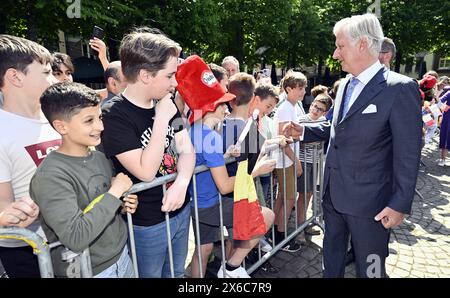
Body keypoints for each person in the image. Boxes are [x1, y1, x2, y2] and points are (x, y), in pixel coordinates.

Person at [287, 14, 422, 278]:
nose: (336, 54)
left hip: (371, 206)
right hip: (333, 196)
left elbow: (408, 153)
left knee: (371, 269)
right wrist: (303, 130)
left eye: (340, 46)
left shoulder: (399, 88)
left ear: (362, 45)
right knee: (331, 261)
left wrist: (399, 204)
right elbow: (338, 128)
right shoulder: (347, 84)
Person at [101, 28, 195, 278]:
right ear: (145, 75)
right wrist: (161, 120)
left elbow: (186, 149)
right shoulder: (114, 115)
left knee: (175, 273)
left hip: (180, 209)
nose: (175, 83)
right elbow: (146, 171)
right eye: (170, 75)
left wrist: (182, 182)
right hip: (147, 222)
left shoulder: (166, 103)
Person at [176, 55, 274, 278]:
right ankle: (230, 269)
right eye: (222, 103)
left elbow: (205, 159)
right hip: (211, 205)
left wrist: (227, 153)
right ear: (211, 106)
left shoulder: (196, 130)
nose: (227, 109)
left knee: (204, 250)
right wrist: (256, 170)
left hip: (197, 202)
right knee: (265, 216)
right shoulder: (209, 136)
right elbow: (224, 186)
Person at [29, 82, 138, 277]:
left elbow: (97, 203)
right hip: (88, 271)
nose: (100, 126)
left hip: (121, 257)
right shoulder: (50, 176)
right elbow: (75, 236)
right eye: (89, 120)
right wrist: (115, 193)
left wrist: (122, 203)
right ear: (61, 126)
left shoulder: (98, 157)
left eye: (99, 117)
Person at [0, 35, 60, 278]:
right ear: (15, 77)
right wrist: (8, 214)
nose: (55, 79)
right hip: (26, 249)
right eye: (46, 72)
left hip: (68, 237)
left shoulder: (56, 117)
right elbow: (3, 201)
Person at [272, 71, 306, 252]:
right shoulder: (286, 107)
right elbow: (282, 138)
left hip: (286, 159)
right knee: (289, 198)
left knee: (283, 198)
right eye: (300, 88)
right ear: (289, 89)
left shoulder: (292, 106)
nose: (303, 91)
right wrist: (297, 161)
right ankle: (281, 237)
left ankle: (275, 231)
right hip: (285, 160)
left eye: (304, 87)